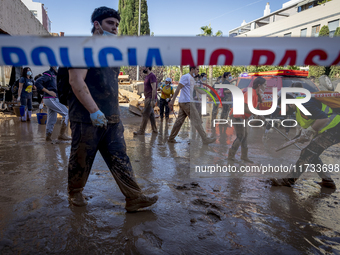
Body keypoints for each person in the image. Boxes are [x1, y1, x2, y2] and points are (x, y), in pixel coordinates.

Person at [67, 6, 158, 211]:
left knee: (120, 157)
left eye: (117, 25)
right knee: (81, 157)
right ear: (96, 25)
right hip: (86, 116)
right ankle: (75, 193)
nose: (115, 28)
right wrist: (93, 111)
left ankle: (134, 197)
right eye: (110, 23)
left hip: (112, 116)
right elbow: (76, 81)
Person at [271, 94, 339, 189]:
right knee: (313, 154)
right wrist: (302, 134)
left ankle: (288, 180)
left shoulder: (303, 104)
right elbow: (311, 122)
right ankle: (328, 181)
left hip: (335, 128)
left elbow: (324, 119)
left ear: (290, 103)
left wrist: (309, 131)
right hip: (331, 128)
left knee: (307, 153)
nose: (282, 111)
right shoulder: (299, 108)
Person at [167, 66, 216, 144]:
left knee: (179, 122)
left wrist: (208, 95)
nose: (198, 71)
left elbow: (198, 89)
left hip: (185, 103)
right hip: (187, 103)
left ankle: (171, 138)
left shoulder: (192, 79)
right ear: (192, 69)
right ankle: (205, 139)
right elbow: (178, 88)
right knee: (197, 120)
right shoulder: (185, 77)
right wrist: (172, 101)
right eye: (197, 69)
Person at [228, 77, 266, 163]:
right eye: (265, 85)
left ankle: (244, 157)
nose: (266, 87)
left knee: (245, 136)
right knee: (240, 136)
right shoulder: (251, 93)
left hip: (243, 117)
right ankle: (231, 156)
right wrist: (256, 113)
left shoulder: (256, 95)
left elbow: (255, 109)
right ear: (259, 85)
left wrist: (259, 115)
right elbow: (244, 108)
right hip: (236, 115)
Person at [35, 67, 71, 141]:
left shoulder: (56, 75)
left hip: (51, 99)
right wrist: (48, 92)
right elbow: (37, 82)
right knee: (67, 113)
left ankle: (48, 137)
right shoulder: (49, 74)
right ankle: (62, 134)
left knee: (52, 119)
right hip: (50, 98)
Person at [133, 66, 158, 135]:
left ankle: (141, 131)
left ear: (148, 67)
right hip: (147, 98)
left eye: (144, 67)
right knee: (151, 115)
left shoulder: (152, 76)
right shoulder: (147, 76)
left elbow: (154, 88)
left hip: (150, 98)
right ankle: (155, 130)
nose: (142, 68)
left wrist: (153, 100)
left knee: (145, 114)